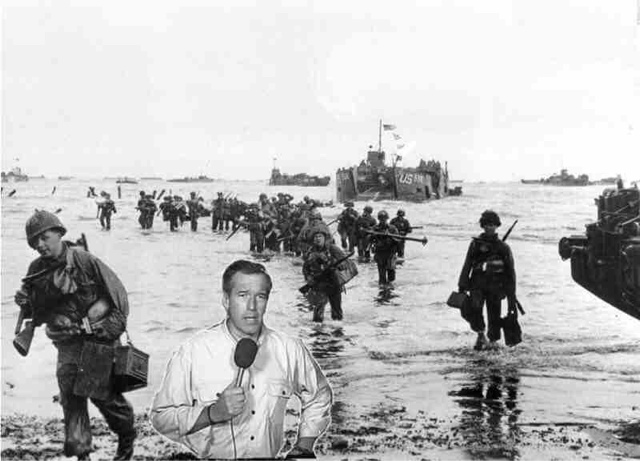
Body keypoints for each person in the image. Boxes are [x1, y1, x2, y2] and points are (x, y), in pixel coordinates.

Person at [150, 260, 333, 459]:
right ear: (226, 300)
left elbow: (319, 395)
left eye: (260, 296)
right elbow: (161, 417)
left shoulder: (289, 349)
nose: (252, 306)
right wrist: (211, 414)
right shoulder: (193, 352)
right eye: (243, 295)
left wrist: (304, 445)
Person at [14, 210, 136, 460]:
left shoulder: (83, 260)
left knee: (102, 396)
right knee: (71, 400)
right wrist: (26, 303)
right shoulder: (36, 269)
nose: (40, 245)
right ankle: (82, 455)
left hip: (97, 340)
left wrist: (107, 328)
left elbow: (119, 296)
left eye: (45, 238)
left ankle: (126, 436)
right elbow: (37, 312)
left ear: (59, 234)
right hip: (67, 343)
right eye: (35, 241)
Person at [458, 210, 517, 351]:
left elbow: (510, 272)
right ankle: (480, 334)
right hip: (477, 284)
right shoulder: (475, 245)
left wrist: (511, 294)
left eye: (492, 225)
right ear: (482, 226)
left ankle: (493, 341)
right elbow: (467, 264)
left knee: (494, 314)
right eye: (487, 225)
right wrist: (462, 284)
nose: (489, 227)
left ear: (497, 226)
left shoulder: (503, 247)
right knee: (474, 310)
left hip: (496, 286)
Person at [303, 230, 346, 322]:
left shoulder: (333, 249)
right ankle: (317, 329)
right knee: (318, 313)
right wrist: (308, 277)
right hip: (319, 283)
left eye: (320, 236)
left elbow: (344, 264)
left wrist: (333, 264)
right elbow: (305, 268)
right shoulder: (310, 251)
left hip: (333, 282)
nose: (317, 239)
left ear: (325, 238)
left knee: (336, 312)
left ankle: (337, 329)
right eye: (316, 237)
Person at [370, 210, 400, 285]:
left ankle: (390, 288)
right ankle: (382, 289)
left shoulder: (392, 228)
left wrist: (390, 236)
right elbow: (369, 239)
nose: (383, 220)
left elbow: (398, 240)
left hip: (390, 253)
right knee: (382, 276)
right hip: (380, 253)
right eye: (381, 219)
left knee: (391, 276)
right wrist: (374, 235)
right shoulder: (375, 228)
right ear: (379, 219)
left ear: (387, 219)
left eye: (384, 219)